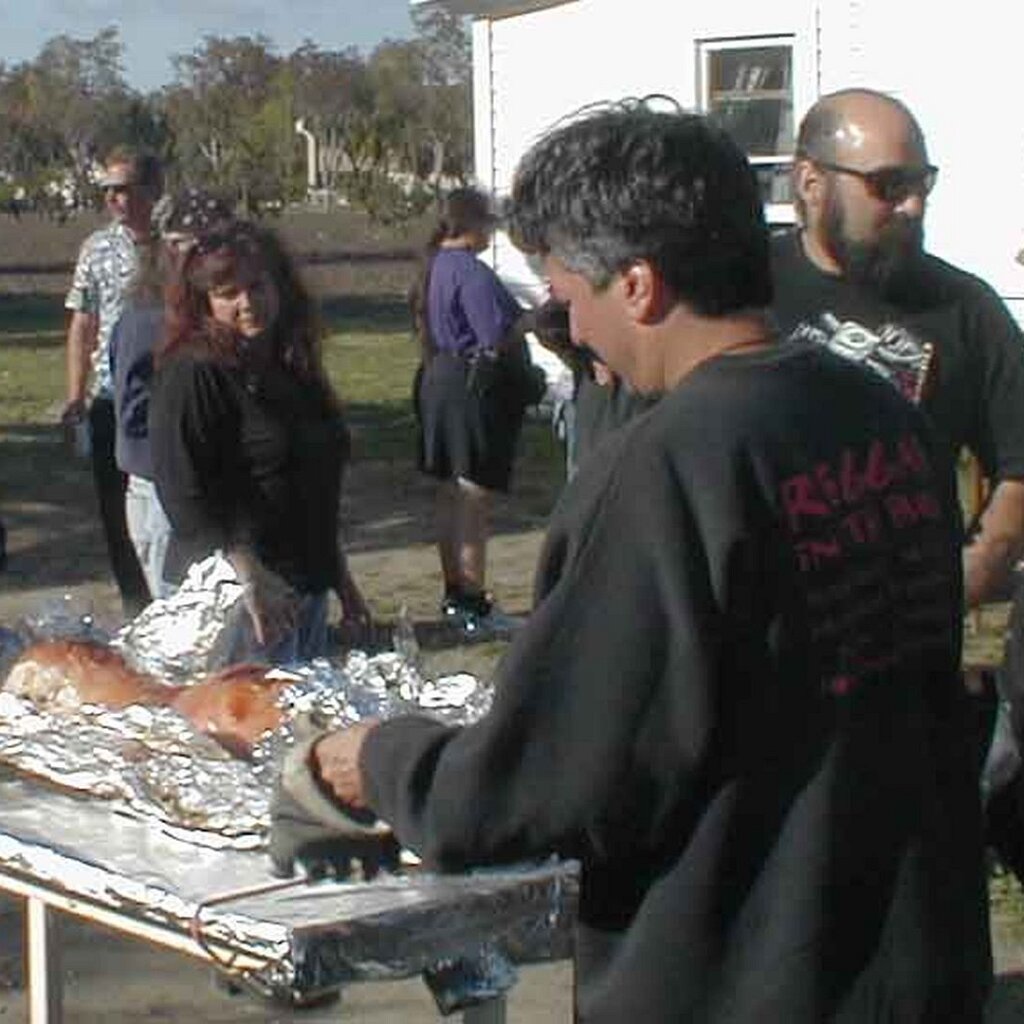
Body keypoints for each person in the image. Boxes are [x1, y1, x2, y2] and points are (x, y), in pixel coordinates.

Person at [270, 103, 991, 1022]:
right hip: (913, 957)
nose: (569, 328)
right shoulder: (880, 412)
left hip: (744, 975)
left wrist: (378, 761)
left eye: (568, 298)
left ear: (640, 287)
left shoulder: (673, 464)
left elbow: (554, 777)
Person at [771, 88, 1024, 612]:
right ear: (811, 183)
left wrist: (972, 572)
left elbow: (1019, 463)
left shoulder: (965, 307)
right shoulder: (744, 289)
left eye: (921, 184)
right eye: (888, 185)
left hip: (902, 650)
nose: (912, 206)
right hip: (764, 642)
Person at [150, 221, 369, 664]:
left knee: (302, 727)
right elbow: (182, 493)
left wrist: (340, 581)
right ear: (204, 301)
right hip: (237, 598)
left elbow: (311, 487)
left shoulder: (290, 365)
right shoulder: (194, 371)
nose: (247, 303)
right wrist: (244, 570)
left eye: (257, 286)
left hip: (303, 587)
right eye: (228, 293)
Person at [410, 187, 533, 636]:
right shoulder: (471, 272)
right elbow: (492, 336)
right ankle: (471, 601)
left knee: (450, 492)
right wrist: (530, 321)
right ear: (474, 225)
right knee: (471, 496)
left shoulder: (432, 267)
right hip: (468, 383)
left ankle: (455, 593)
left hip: (437, 376)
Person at [110, 189, 234, 601]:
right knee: (190, 626)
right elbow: (135, 415)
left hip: (165, 489)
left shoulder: (161, 313)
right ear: (169, 247)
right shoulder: (154, 320)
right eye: (196, 246)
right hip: (166, 492)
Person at [62, 145, 163, 617]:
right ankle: (135, 606)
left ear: (152, 190)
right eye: (108, 192)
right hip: (111, 398)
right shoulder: (96, 249)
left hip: (169, 394)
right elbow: (83, 324)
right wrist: (74, 397)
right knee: (115, 508)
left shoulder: (178, 243)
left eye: (124, 189)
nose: (115, 200)